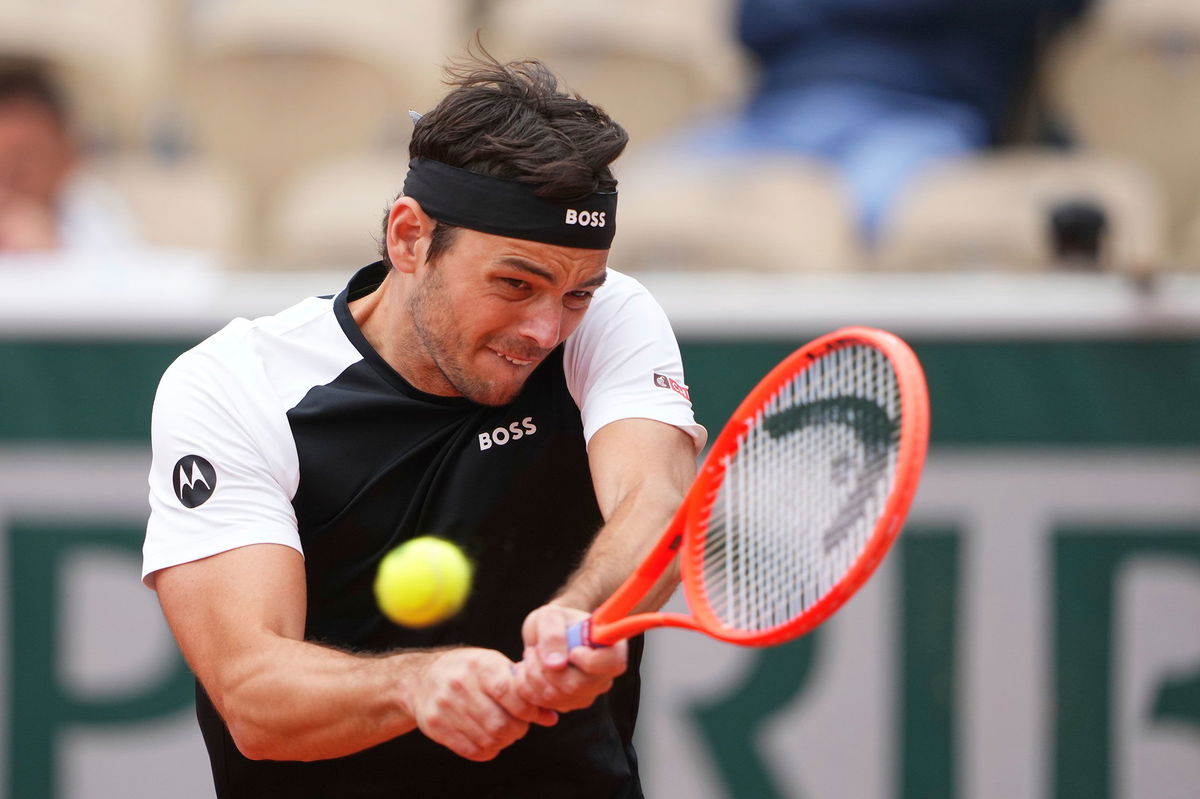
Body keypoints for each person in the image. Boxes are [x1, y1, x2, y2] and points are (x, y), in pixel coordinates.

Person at [142, 51, 705, 798]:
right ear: (409, 238)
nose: (546, 327)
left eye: (576, 294)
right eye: (514, 283)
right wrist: (417, 685)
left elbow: (656, 503)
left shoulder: (611, 316)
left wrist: (580, 610)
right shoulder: (235, 384)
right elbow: (252, 691)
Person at [665, 0, 1089, 241]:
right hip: (772, 115)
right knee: (633, 202)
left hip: (914, 115)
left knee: (855, 225)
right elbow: (755, 21)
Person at [0, 60, 138, 253]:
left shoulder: (99, 216)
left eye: (25, 158)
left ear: (68, 157)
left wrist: (50, 255)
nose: (8, 174)